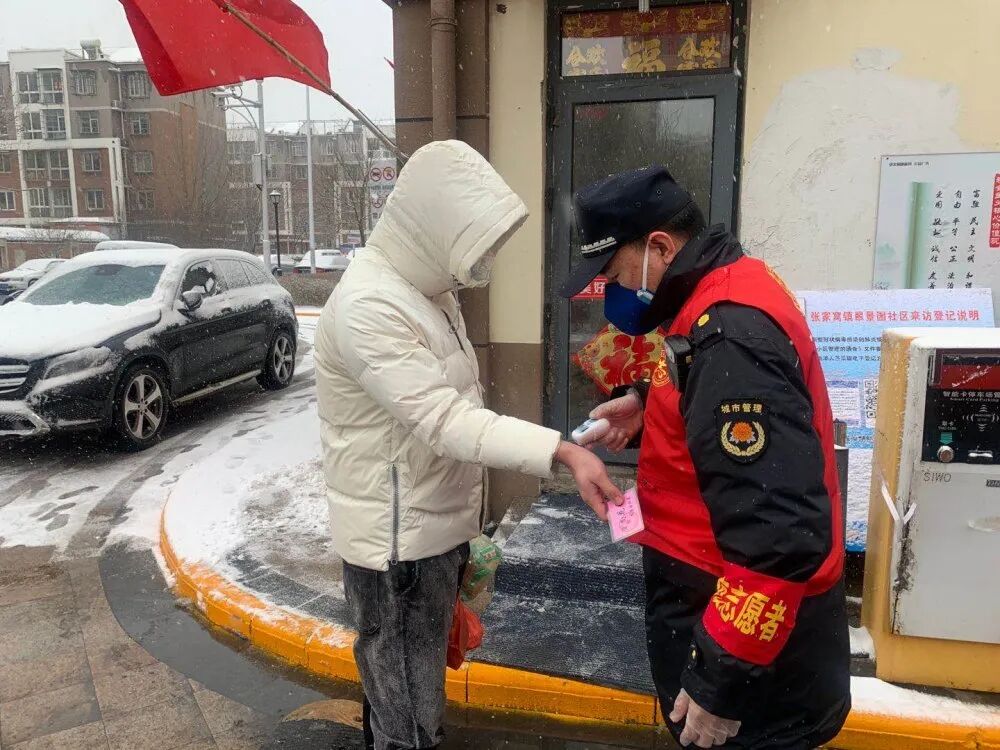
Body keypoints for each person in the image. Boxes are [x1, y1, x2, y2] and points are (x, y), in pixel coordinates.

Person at [314, 140, 622, 750]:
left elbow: (457, 406)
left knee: (404, 695)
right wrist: (561, 451)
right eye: (475, 244)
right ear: (432, 229)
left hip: (429, 534)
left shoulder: (426, 292)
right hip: (398, 553)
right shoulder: (369, 306)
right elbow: (447, 421)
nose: (481, 264)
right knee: (408, 717)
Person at [560, 166, 851, 749]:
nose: (613, 292)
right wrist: (647, 404)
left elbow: (779, 532)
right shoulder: (721, 293)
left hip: (753, 655)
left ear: (660, 248)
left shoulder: (730, 333)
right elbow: (718, 401)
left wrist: (721, 683)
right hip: (717, 596)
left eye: (615, 274)